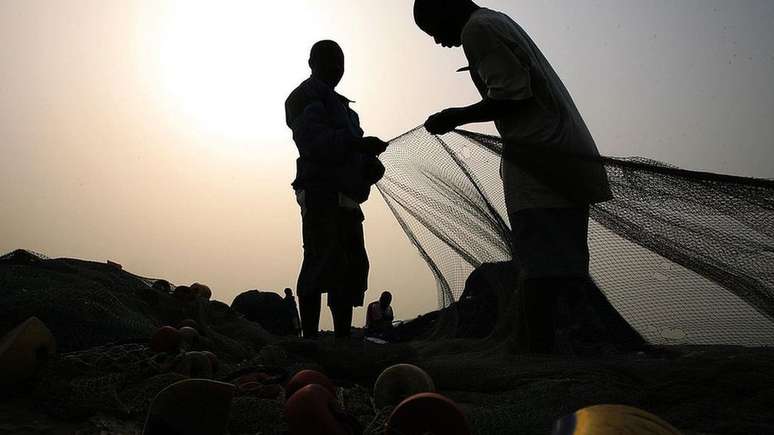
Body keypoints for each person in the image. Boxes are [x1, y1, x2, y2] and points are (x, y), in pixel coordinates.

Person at [413, 0, 621, 353]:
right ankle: (574, 350)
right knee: (565, 264)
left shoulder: (477, 29)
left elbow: (513, 95)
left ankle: (541, 359)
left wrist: (455, 116)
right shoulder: (496, 21)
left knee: (540, 268)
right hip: (562, 156)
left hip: (540, 161)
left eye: (434, 29)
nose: (437, 41)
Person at [285, 40, 389, 340]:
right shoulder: (303, 97)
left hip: (347, 196)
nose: (337, 68)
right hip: (320, 192)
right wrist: (358, 144)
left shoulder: (347, 110)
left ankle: (342, 339)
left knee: (351, 266)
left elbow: (353, 152)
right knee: (321, 259)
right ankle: (311, 339)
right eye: (330, 61)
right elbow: (312, 140)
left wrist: (370, 165)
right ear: (312, 63)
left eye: (341, 63)